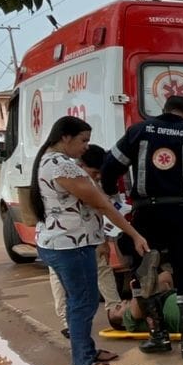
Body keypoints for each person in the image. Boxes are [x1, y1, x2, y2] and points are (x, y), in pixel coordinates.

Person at [102, 94, 183, 358]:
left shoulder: (138, 131)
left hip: (145, 214)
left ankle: (157, 336)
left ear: (164, 111)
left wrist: (111, 196)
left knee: (145, 271)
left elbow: (109, 167)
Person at [30, 116, 150, 365]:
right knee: (83, 303)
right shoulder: (61, 165)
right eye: (83, 140)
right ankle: (83, 362)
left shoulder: (50, 161)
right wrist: (135, 234)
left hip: (58, 242)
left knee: (78, 301)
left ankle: (87, 350)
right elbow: (102, 204)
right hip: (71, 244)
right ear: (65, 137)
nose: (86, 147)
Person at [49, 145, 124, 338]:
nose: (98, 176)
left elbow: (101, 210)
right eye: (94, 172)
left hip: (89, 235)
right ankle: (67, 322)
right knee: (60, 276)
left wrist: (103, 239)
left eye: (100, 173)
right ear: (81, 165)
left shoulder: (90, 181)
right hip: (61, 239)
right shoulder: (67, 179)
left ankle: (115, 311)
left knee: (102, 267)